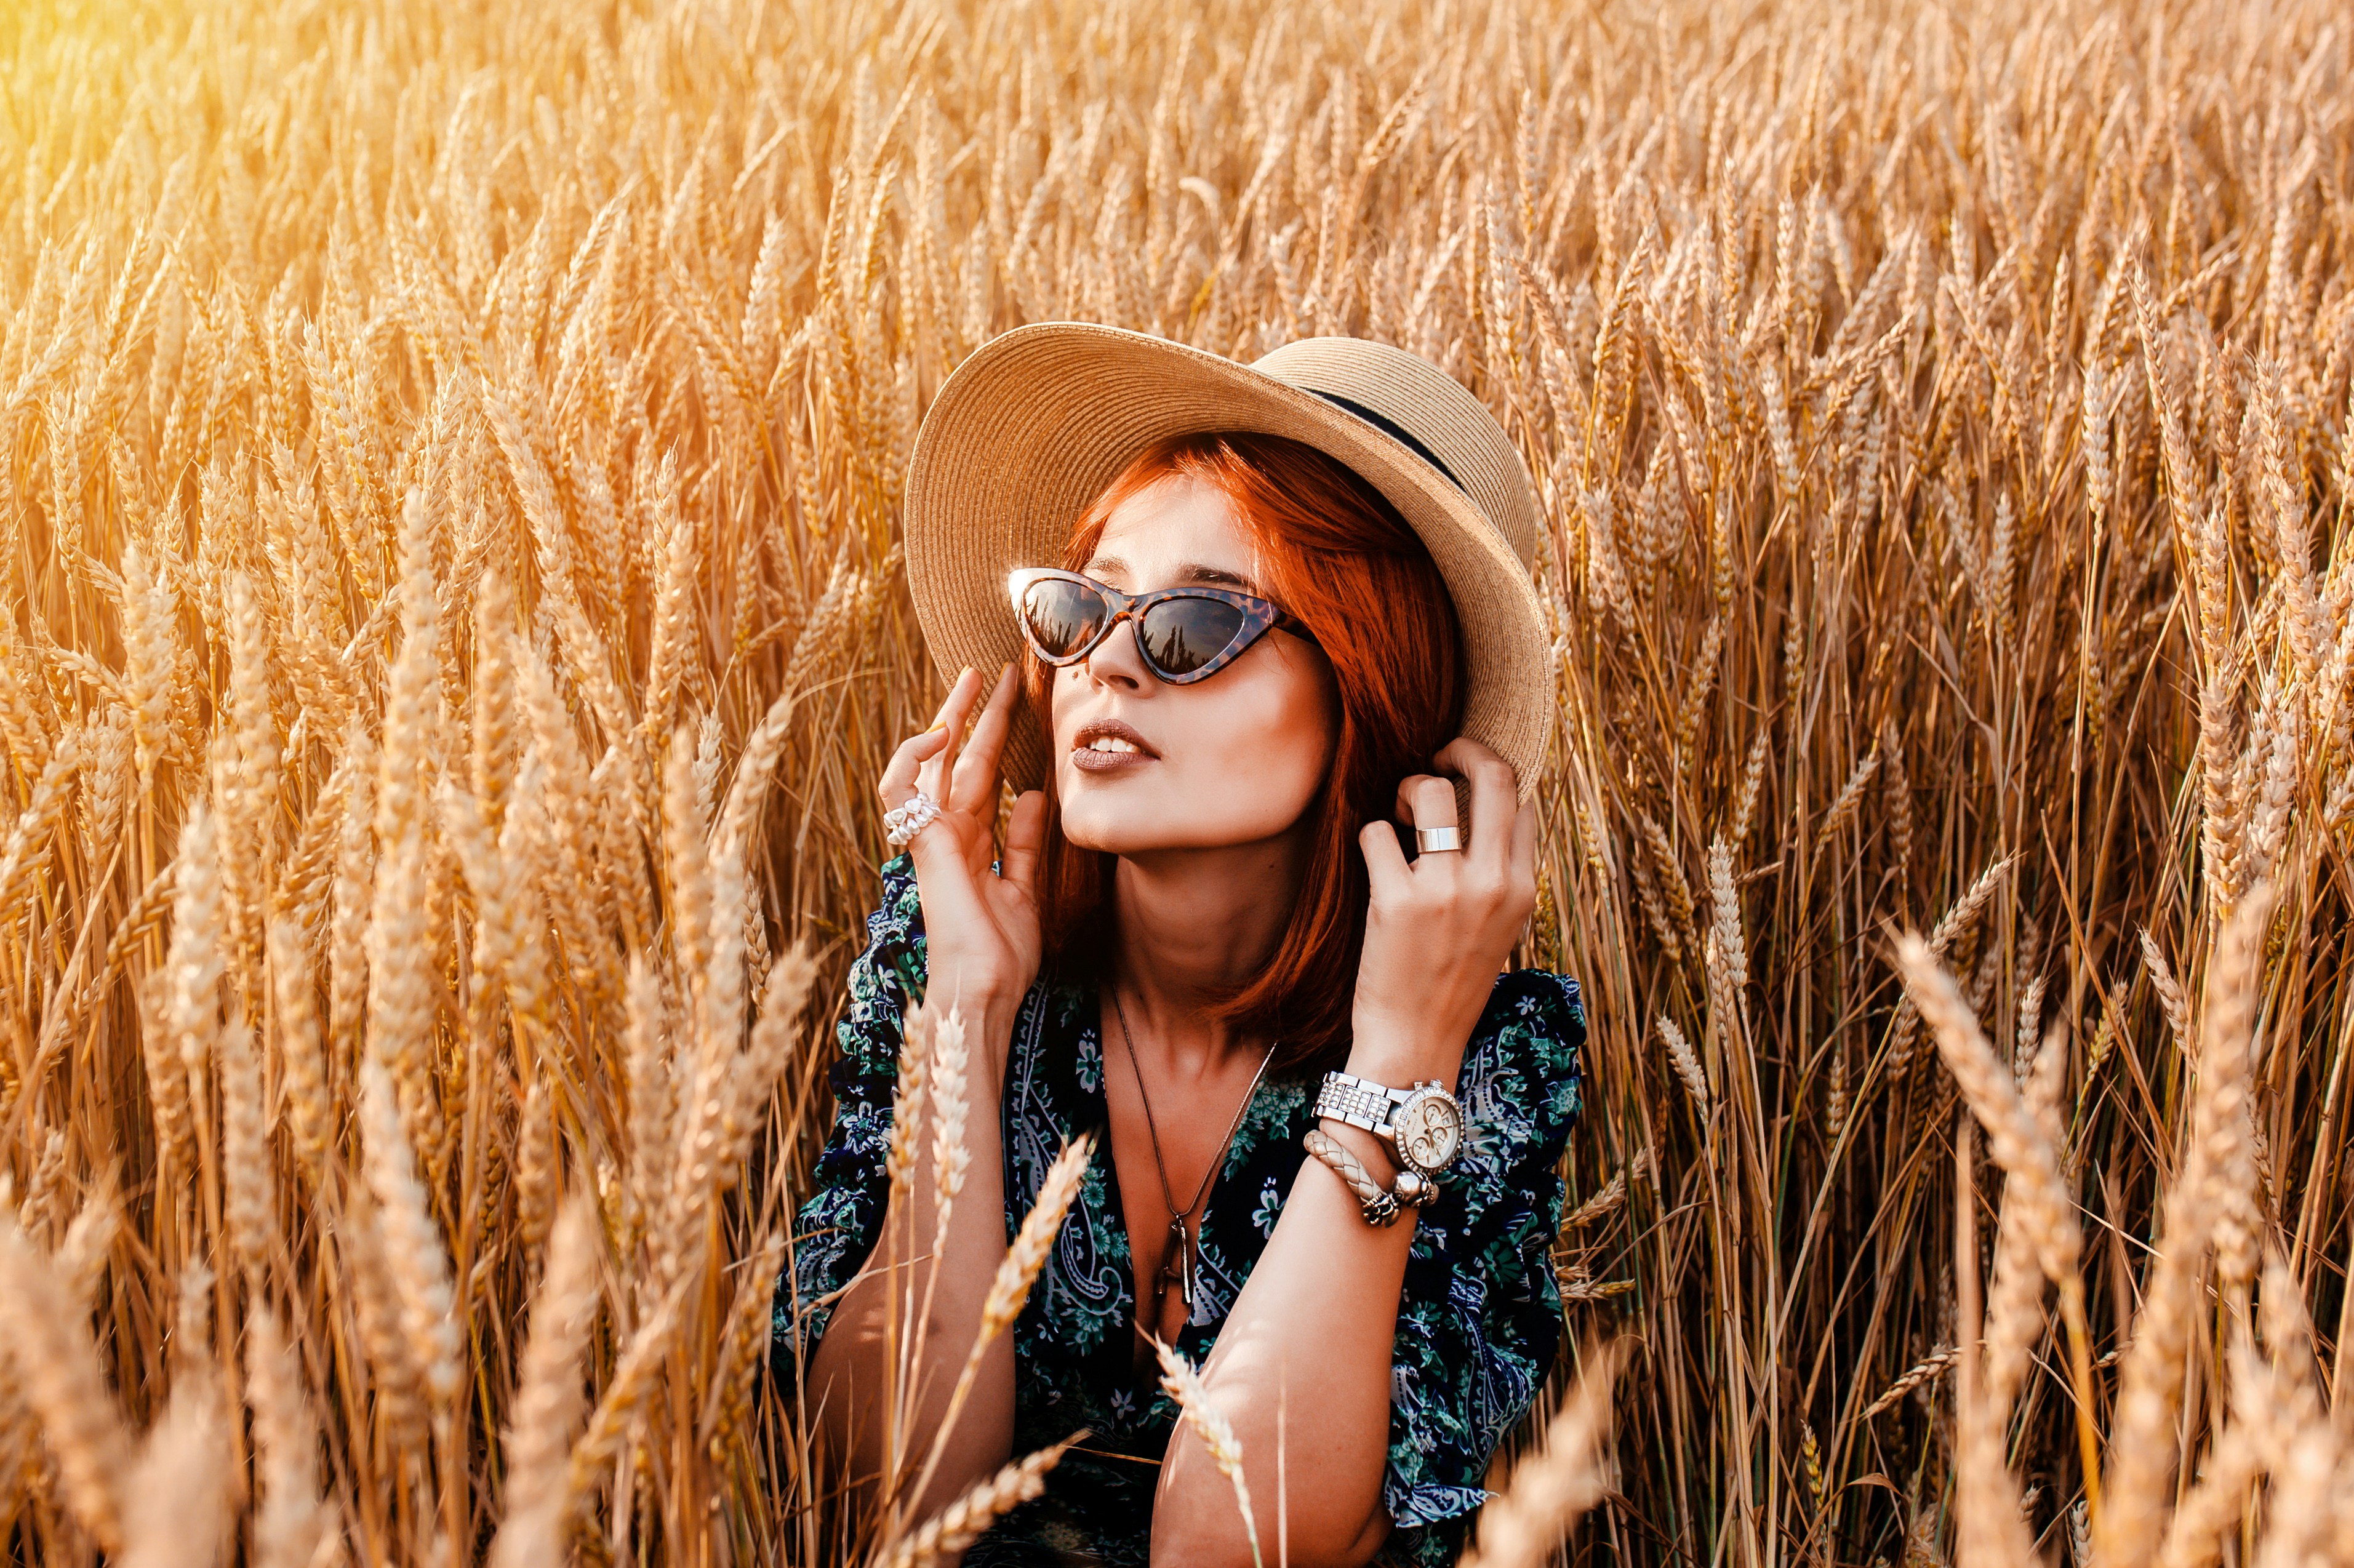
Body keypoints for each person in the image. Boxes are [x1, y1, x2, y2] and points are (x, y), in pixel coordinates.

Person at [772, 322, 1587, 1568]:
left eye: (1192, 625)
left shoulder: (1482, 1055)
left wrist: (1399, 1062)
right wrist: (966, 1013)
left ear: (1368, 680)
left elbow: (1232, 1546)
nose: (1106, 660)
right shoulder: (951, 948)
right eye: (1078, 606)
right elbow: (873, 1507)